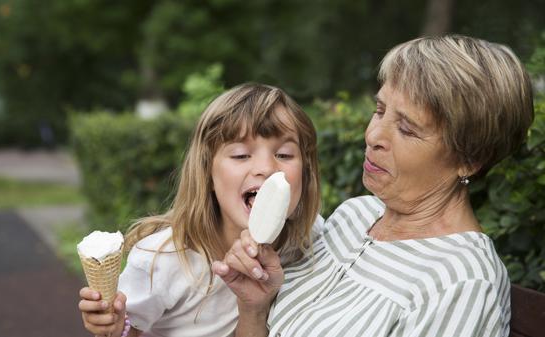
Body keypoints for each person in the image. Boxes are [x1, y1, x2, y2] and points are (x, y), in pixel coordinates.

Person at [213, 35, 534, 337]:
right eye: (379, 110)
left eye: (407, 129)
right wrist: (254, 308)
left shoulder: (462, 282)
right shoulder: (354, 215)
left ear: (470, 159)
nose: (373, 136)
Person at [78, 83, 321, 337]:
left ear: (306, 173)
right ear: (207, 174)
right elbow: (127, 329)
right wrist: (114, 328)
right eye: (240, 155)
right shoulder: (161, 260)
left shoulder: (309, 237)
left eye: (284, 154)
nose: (266, 168)